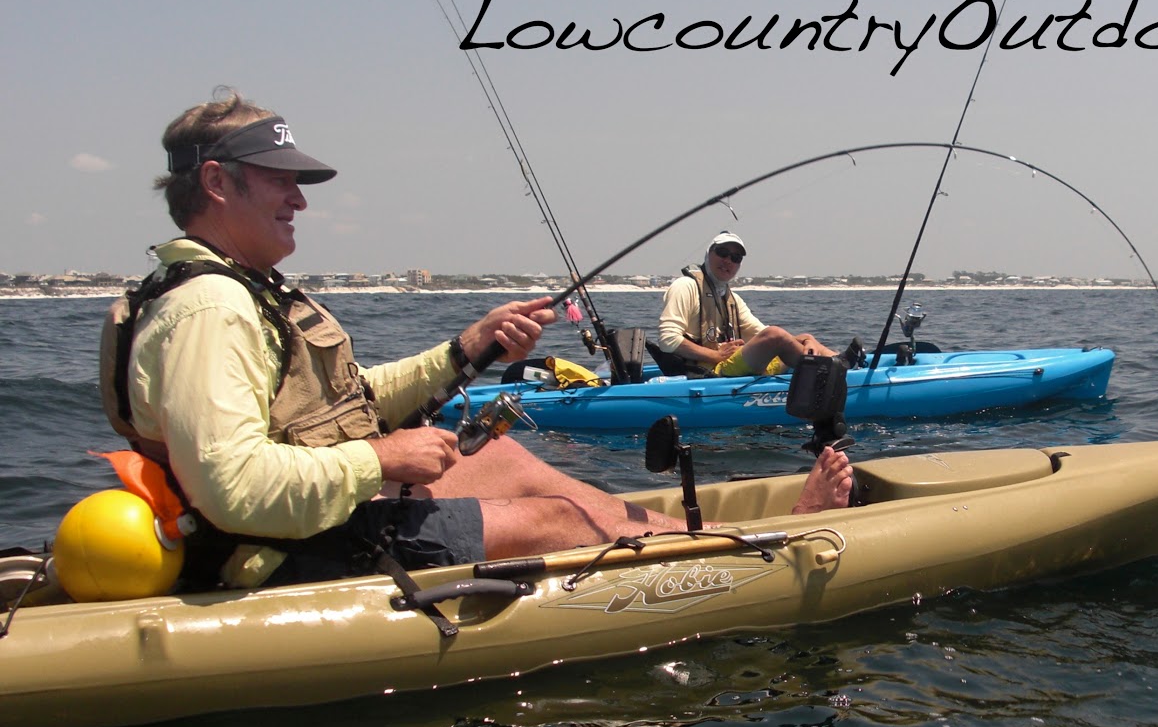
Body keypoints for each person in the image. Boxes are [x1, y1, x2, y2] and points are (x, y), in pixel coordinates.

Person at [104, 90, 852, 589]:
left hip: (318, 510)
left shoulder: (243, 293)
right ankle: (748, 564)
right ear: (216, 183)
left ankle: (721, 540)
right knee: (554, 522)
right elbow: (233, 490)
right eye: (280, 180)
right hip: (278, 551)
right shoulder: (209, 310)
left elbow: (347, 404)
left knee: (500, 453)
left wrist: (469, 349)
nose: (300, 199)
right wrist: (381, 458)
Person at [656, 232, 864, 377]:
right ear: (708, 254)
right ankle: (833, 371)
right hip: (709, 372)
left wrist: (804, 340)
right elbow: (668, 340)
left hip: (733, 363)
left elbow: (760, 334)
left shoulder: (732, 300)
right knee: (777, 334)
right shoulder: (686, 286)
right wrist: (715, 355)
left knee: (806, 339)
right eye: (722, 253)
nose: (728, 260)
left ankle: (845, 369)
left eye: (735, 257)